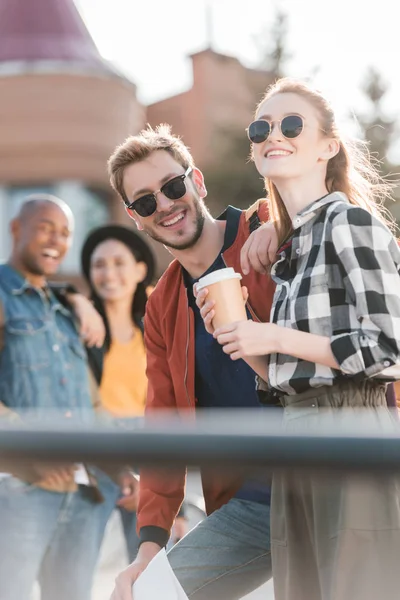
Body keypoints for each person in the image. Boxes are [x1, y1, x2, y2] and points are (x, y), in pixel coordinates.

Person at [203, 78, 400, 600]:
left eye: (292, 125)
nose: (274, 135)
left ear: (329, 147)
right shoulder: (295, 245)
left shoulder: (350, 222)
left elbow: (388, 348)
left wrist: (274, 334)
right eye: (260, 127)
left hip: (352, 428)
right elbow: (289, 376)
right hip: (297, 430)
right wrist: (242, 339)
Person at [107, 124, 279, 600]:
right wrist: (148, 548)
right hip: (253, 503)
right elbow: (163, 424)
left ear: (196, 181)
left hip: (336, 472)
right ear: (135, 217)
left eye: (172, 186)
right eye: (145, 202)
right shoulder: (161, 308)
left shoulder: (267, 227)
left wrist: (278, 228)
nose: (164, 205)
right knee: (149, 595)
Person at [0, 195, 119, 600]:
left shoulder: (66, 309)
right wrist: (31, 453)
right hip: (20, 490)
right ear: (17, 229)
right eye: (46, 228)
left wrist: (120, 469)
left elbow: (92, 402)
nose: (57, 240)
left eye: (65, 232)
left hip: (83, 494)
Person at [80, 223, 188, 561]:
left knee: (152, 560)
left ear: (140, 269)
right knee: (79, 558)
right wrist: (72, 299)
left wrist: (175, 506)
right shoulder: (79, 320)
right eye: (99, 264)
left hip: (147, 443)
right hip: (93, 445)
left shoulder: (159, 317)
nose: (108, 273)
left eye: (118, 262)